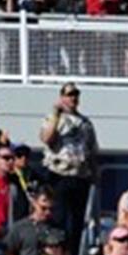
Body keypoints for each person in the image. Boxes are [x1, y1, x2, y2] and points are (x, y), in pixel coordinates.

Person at [38, 83, 99, 239]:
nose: (73, 98)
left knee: (77, 220)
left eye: (76, 94)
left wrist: (94, 175)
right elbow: (47, 139)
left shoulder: (85, 123)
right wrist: (56, 115)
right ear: (62, 97)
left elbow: (92, 151)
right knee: (59, 217)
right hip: (59, 174)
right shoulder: (53, 118)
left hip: (80, 176)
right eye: (69, 94)